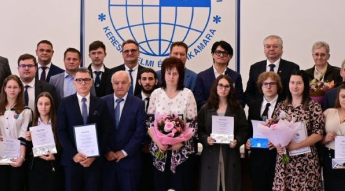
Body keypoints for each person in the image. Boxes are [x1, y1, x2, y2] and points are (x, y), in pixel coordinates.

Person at [57, 67, 112, 191]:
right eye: (79, 80)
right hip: (72, 160)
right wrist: (74, 155)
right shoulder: (65, 103)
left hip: (94, 162)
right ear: (74, 83)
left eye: (86, 80)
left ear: (91, 82)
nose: (83, 83)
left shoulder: (101, 103)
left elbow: (105, 131)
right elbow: (61, 131)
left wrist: (94, 156)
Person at [147, 57, 197, 191]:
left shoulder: (187, 94)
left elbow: (193, 125)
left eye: (175, 73)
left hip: (182, 152)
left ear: (180, 75)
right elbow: (149, 122)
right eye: (168, 73)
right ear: (163, 74)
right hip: (159, 151)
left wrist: (180, 142)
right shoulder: (156, 94)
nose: (171, 77)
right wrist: (158, 141)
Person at [271, 70, 324, 191]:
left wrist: (296, 146)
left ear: (305, 85)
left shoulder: (314, 106)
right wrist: (277, 145)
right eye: (292, 82)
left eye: (299, 83)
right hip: (285, 160)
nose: (295, 86)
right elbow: (274, 130)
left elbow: (318, 134)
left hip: (306, 160)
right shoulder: (281, 106)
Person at [197, 74, 249, 191]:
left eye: (227, 86)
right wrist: (205, 139)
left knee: (230, 185)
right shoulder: (206, 108)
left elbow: (244, 129)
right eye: (220, 85)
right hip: (211, 154)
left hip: (230, 154)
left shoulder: (237, 108)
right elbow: (199, 129)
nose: (223, 89)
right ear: (215, 87)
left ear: (231, 89)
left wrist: (237, 140)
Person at [102, 71, 147, 191]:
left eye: (123, 82)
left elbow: (140, 132)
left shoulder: (139, 104)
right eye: (116, 83)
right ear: (112, 85)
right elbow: (98, 129)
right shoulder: (102, 102)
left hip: (129, 162)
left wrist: (124, 152)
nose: (120, 86)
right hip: (107, 162)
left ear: (129, 84)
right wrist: (107, 151)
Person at [0, 75, 32, 191]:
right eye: (9, 87)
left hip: (17, 154)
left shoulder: (26, 111)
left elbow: (23, 134)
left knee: (16, 186)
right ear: (4, 88)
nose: (12, 90)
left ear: (20, 89)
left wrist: (21, 157)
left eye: (15, 87)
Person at [246, 71, 282, 191]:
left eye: (272, 83)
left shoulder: (284, 105)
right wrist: (248, 140)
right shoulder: (254, 105)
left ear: (278, 86)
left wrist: (278, 141)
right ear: (261, 87)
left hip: (276, 156)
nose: (268, 87)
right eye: (265, 84)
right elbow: (249, 128)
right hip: (257, 155)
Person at [244, 35, 299, 105]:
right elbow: (249, 93)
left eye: (275, 46)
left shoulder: (292, 67)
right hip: (259, 109)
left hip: (284, 109)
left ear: (281, 48)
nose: (271, 49)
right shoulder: (255, 67)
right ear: (264, 49)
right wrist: (256, 106)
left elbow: (295, 93)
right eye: (268, 46)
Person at [27, 92, 63, 191]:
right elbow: (28, 150)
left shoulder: (58, 123)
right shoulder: (32, 124)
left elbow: (64, 144)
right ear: (36, 106)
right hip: (36, 166)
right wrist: (29, 141)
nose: (43, 107)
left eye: (47, 104)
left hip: (53, 165)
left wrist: (55, 157)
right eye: (40, 104)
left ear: (51, 106)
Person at [194, 41, 244, 108]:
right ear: (212, 54)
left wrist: (225, 108)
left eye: (225, 53)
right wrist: (216, 109)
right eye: (218, 52)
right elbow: (199, 101)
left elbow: (240, 100)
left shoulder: (236, 76)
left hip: (230, 113)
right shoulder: (202, 76)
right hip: (208, 112)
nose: (221, 55)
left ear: (230, 56)